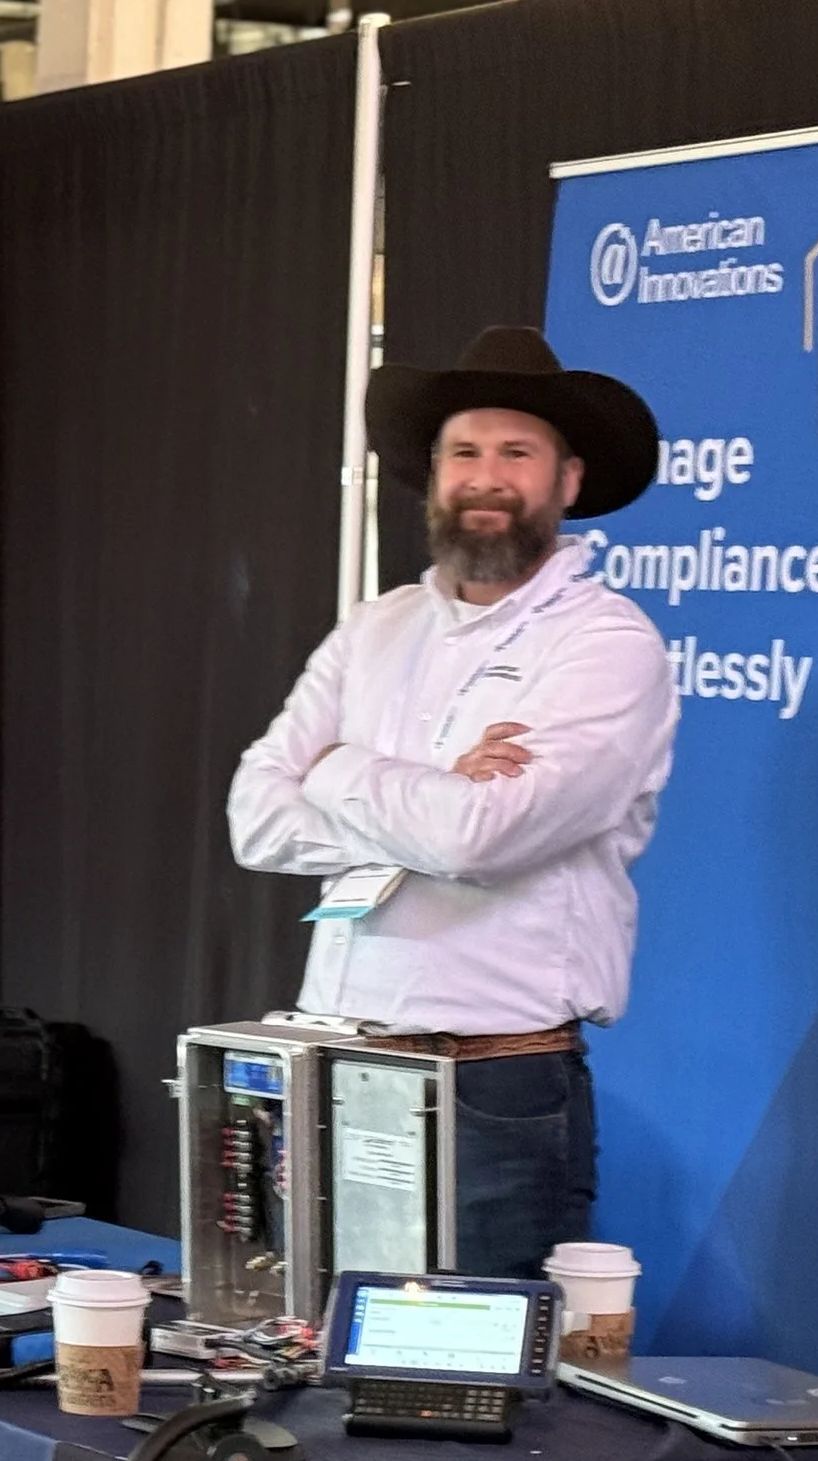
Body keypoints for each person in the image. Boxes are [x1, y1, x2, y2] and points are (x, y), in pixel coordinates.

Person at [226, 326, 676, 1278]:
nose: (486, 477)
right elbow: (254, 817)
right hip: (334, 1064)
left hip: (494, 1082)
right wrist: (426, 791)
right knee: (321, 1358)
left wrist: (341, 767)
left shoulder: (606, 644)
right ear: (432, 477)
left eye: (518, 454)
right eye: (463, 453)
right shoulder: (376, 626)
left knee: (476, 1392)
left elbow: (482, 833)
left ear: (567, 481)